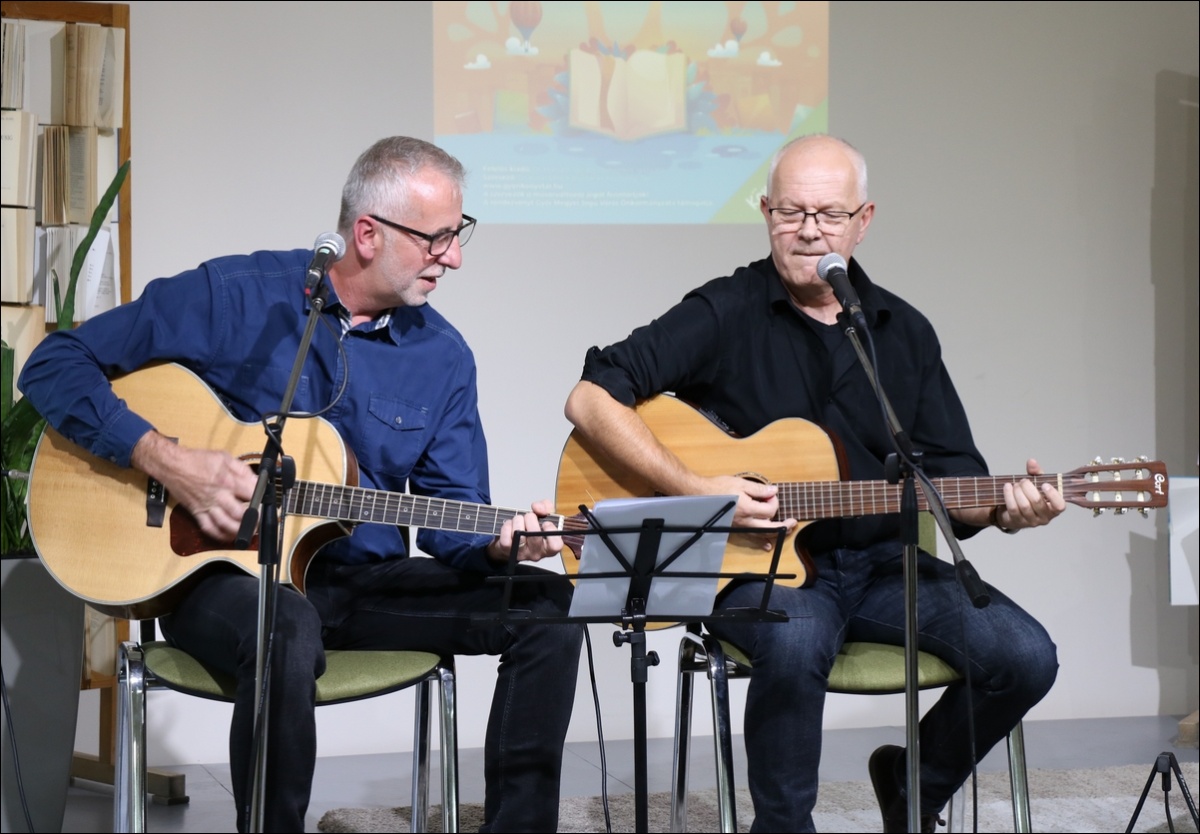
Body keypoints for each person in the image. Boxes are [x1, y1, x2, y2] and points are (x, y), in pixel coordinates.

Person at [20, 136, 583, 833]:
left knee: (551, 608)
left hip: (364, 586)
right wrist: (166, 459)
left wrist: (500, 547)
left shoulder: (442, 357)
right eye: (438, 238)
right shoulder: (236, 297)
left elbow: (450, 521)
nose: (455, 257)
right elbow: (53, 364)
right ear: (368, 233)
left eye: (458, 235)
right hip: (216, 582)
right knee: (285, 624)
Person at [563, 134, 1063, 833]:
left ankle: (913, 786)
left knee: (1027, 655)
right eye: (791, 212)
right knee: (796, 644)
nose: (808, 232)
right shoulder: (725, 310)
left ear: (864, 220)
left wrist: (1010, 513)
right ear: (765, 213)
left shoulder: (901, 330)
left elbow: (956, 475)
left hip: (886, 568)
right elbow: (591, 398)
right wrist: (698, 484)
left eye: (829, 214)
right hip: (763, 568)